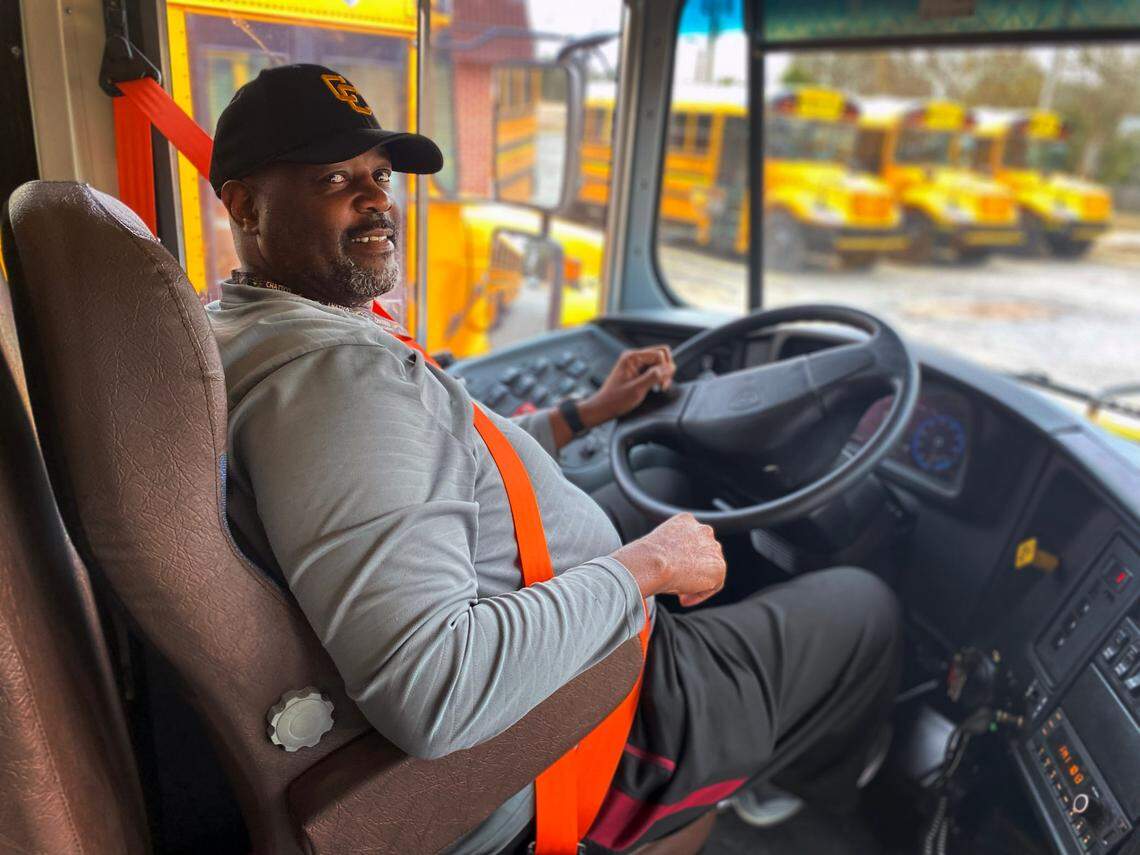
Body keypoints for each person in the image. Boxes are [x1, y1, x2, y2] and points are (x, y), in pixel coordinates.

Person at [205, 64, 901, 854]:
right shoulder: (340, 384)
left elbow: (447, 458)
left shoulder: (253, 325)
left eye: (380, 175)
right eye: (335, 178)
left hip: (550, 620)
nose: (376, 199)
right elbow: (436, 688)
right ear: (243, 203)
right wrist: (647, 568)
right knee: (862, 605)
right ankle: (792, 792)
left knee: (665, 478)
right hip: (598, 717)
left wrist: (585, 414)